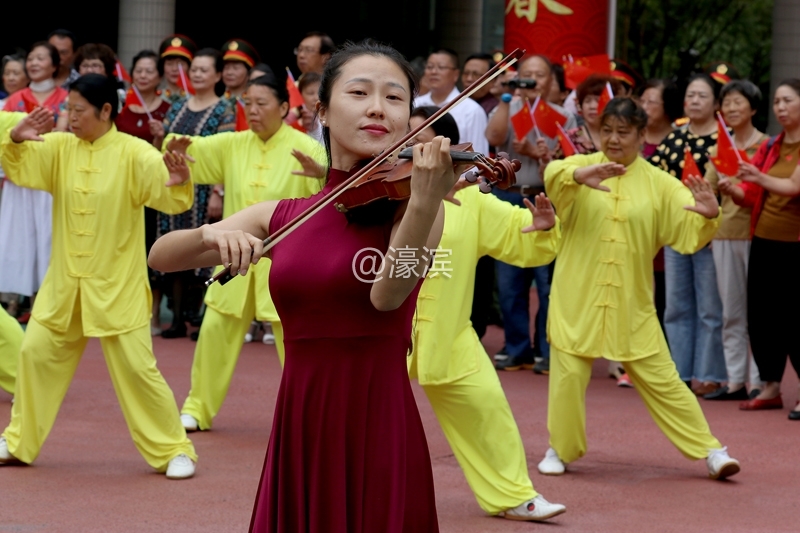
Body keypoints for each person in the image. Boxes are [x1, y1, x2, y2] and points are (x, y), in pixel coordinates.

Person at [149, 39, 455, 532]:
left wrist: (424, 200)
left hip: (377, 417)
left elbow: (388, 295)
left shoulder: (415, 209)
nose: (378, 107)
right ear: (323, 112)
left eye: (395, 97)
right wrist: (210, 235)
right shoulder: (285, 215)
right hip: (301, 416)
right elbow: (161, 256)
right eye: (360, 92)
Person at [0, 75, 197, 478]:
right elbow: (21, 169)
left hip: (116, 287)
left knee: (138, 370)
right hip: (64, 286)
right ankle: (18, 442)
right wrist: (16, 140)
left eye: (78, 110)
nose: (70, 117)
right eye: (67, 109)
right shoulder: (58, 147)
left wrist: (177, 180)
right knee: (35, 355)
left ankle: (174, 449)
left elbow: (168, 192)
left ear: (106, 110)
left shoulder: (134, 152)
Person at [538, 96, 740, 481]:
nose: (613, 139)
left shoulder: (660, 184)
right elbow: (555, 175)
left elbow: (687, 229)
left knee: (664, 379)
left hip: (631, 303)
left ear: (642, 135)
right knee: (567, 379)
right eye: (607, 131)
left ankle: (710, 450)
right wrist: (579, 175)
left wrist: (710, 214)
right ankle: (560, 448)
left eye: (623, 132)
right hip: (576, 296)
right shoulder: (581, 167)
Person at [406, 109, 566, 521]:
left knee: (487, 406)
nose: (408, 147)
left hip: (449, 332)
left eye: (419, 140)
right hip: (382, 332)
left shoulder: (471, 200)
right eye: (403, 139)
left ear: (447, 150)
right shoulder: (380, 192)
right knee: (364, 420)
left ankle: (512, 495)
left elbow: (517, 233)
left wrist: (543, 226)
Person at [161, 74, 326, 432]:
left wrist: (322, 172)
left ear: (284, 107)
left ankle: (309, 414)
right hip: (233, 256)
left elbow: (335, 187)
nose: (252, 110)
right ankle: (197, 408)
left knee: (296, 343)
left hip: (286, 262)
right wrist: (175, 148)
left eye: (261, 103)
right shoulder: (233, 143)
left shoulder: (307, 147)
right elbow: (189, 152)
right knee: (214, 333)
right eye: (248, 103)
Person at [485, 54, 577, 374]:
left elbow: (570, 160)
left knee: (548, 281)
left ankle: (547, 349)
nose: (532, 80)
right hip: (509, 197)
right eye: (526, 73)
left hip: (545, 197)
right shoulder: (508, 106)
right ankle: (517, 348)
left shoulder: (563, 116)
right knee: (509, 280)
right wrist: (506, 97)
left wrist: (540, 157)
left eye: (539, 74)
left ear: (551, 81)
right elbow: (494, 139)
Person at [718, 79, 800, 420]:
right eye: (777, 102)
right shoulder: (773, 146)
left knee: (795, 318)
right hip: (764, 239)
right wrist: (734, 190)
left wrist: (755, 177)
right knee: (764, 316)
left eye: (788, 101)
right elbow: (753, 196)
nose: (780, 108)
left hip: (795, 244)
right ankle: (770, 386)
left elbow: (793, 186)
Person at [151, 48, 236, 339]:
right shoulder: (177, 105)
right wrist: (159, 138)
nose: (197, 74)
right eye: (194, 69)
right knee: (176, 247)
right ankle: (175, 319)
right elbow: (162, 145)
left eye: (203, 70)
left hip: (204, 191)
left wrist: (218, 192)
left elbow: (226, 153)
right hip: (176, 188)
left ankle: (200, 317)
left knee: (204, 251)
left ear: (217, 75)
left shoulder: (225, 109)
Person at [651, 73, 727, 396]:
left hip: (711, 231)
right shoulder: (674, 137)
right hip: (676, 229)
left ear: (716, 103)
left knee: (710, 307)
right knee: (677, 306)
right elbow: (652, 176)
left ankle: (710, 374)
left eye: (702, 96)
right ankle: (679, 373)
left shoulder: (724, 140)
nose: (694, 101)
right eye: (690, 95)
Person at [702, 79, 767, 401]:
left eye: (738, 102)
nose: (731, 108)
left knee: (759, 311)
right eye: (726, 103)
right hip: (725, 234)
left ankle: (760, 381)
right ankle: (736, 380)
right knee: (731, 312)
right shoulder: (718, 149)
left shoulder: (767, 146)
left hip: (759, 234)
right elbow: (705, 190)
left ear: (753, 108)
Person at [0, 42, 68, 311]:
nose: (34, 63)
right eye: (31, 58)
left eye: (41, 58)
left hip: (50, 181)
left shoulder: (67, 98)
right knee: (18, 240)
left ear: (55, 65)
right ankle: (15, 301)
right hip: (19, 181)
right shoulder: (14, 100)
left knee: (48, 239)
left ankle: (43, 303)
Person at [115, 49, 175, 334]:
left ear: (159, 76)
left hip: (153, 190)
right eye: (138, 70)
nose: (142, 75)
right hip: (122, 189)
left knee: (151, 247)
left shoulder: (168, 109)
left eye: (149, 70)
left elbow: (169, 155)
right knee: (123, 248)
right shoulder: (120, 109)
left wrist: (160, 136)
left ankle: (153, 314)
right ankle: (123, 311)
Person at [415, 49, 488, 155]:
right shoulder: (415, 103)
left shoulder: (472, 110)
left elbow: (478, 153)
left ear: (456, 74)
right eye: (429, 67)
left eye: (441, 67)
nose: (433, 72)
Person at [158, 34, 197, 104]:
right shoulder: (156, 98)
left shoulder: (196, 98)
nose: (174, 69)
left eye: (180, 64)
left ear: (189, 67)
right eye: (169, 64)